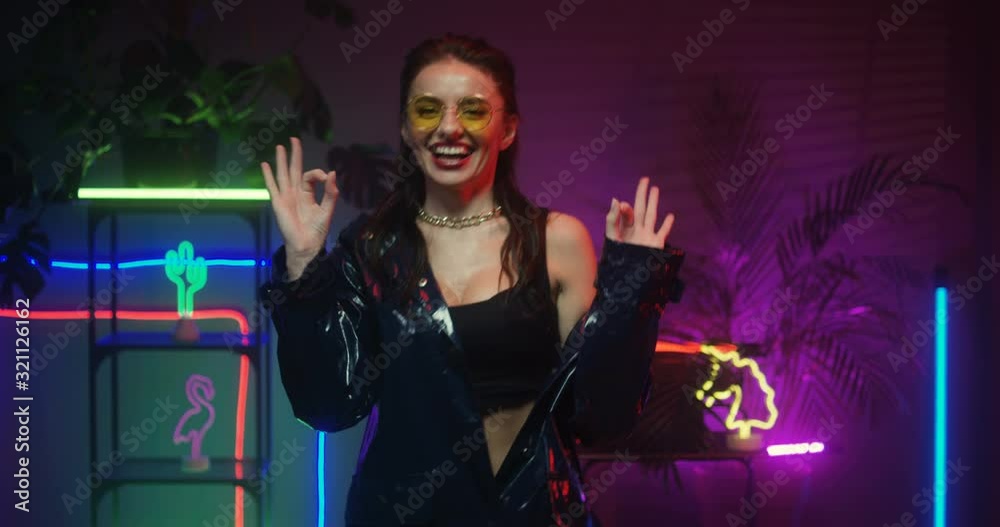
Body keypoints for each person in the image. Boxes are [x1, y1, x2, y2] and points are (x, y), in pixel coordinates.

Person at [259, 34, 685, 527]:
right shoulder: (371, 247)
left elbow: (601, 416)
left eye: (474, 110)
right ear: (406, 128)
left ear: (508, 129)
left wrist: (633, 291)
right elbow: (327, 406)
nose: (449, 127)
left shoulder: (558, 242)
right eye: (427, 109)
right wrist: (305, 264)